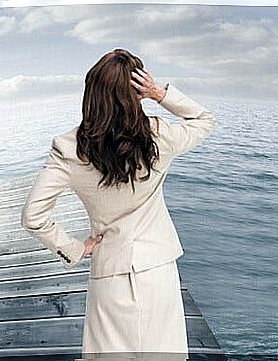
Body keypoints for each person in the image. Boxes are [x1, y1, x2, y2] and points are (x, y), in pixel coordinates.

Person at [20, 48, 217, 359]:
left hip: (109, 271)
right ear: (135, 93)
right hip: (157, 268)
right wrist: (159, 94)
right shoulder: (158, 135)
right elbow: (204, 119)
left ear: (92, 93)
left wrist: (74, 248)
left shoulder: (68, 148)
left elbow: (33, 216)